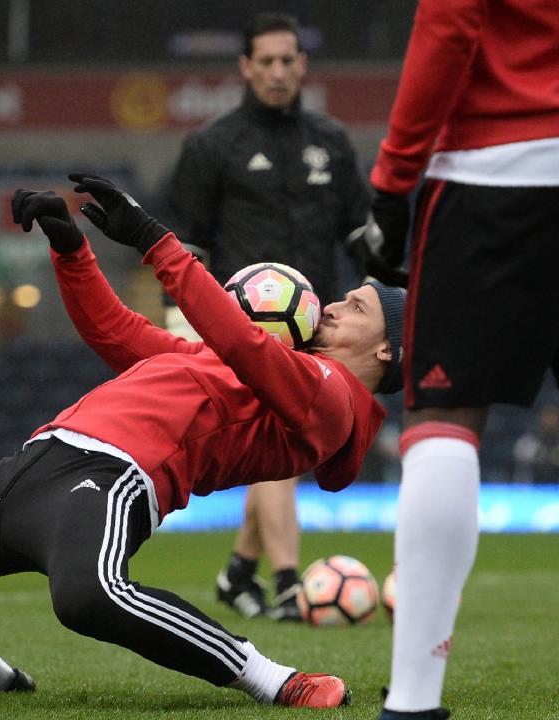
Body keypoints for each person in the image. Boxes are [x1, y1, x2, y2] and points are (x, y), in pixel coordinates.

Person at [0, 174, 406, 709]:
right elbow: (118, 333)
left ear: (386, 349)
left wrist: (153, 240)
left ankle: (275, 680)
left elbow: (244, 343)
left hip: (113, 479)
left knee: (87, 597)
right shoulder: (245, 366)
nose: (333, 305)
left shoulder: (334, 400)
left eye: (355, 307)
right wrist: (70, 248)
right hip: (29, 467)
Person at [354, 1, 559, 717]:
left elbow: (449, 25)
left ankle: (415, 700)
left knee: (443, 416)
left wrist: (393, 187)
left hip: (497, 166)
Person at [164, 11, 373, 621]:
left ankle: (237, 573)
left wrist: (386, 285)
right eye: (268, 62)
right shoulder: (211, 145)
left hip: (319, 327)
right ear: (246, 68)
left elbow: (359, 232)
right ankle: (286, 583)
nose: (279, 72)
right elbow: (184, 240)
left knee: (288, 451)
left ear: (302, 65)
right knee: (286, 447)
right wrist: (185, 320)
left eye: (289, 60)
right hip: (245, 332)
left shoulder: (331, 141)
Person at [511, 403, 559, 484]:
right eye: (547, 415)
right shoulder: (530, 437)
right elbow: (522, 457)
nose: (550, 420)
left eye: (554, 416)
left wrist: (553, 455)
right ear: (540, 417)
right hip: (532, 487)